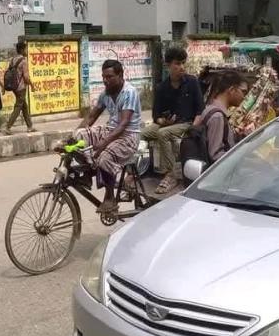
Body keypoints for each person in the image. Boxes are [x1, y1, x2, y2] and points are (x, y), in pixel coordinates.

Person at [77, 60, 141, 214]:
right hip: (111, 131)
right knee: (79, 136)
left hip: (128, 136)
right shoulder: (105, 94)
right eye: (103, 77)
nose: (105, 80)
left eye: (109, 77)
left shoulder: (129, 92)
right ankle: (87, 174)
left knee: (104, 157)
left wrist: (103, 143)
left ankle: (110, 197)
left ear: (120, 75)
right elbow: (91, 117)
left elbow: (123, 124)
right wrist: (71, 137)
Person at [141, 46, 203, 195]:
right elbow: (156, 115)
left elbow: (200, 110)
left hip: (187, 124)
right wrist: (164, 121)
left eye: (183, 63)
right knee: (141, 133)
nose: (181, 67)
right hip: (168, 124)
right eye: (177, 63)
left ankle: (170, 174)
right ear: (168, 65)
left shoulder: (192, 82)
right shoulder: (162, 87)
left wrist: (193, 129)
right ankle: (137, 170)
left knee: (163, 134)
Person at [198, 71, 248, 163]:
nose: (244, 97)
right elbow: (215, 155)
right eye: (243, 92)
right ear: (232, 90)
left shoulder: (212, 110)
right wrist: (240, 157)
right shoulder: (217, 116)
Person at [5, 41, 36, 135]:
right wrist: (32, 85)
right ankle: (8, 127)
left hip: (14, 87)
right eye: (25, 49)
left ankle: (30, 126)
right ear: (22, 50)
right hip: (21, 87)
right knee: (18, 106)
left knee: (24, 106)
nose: (26, 51)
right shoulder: (23, 61)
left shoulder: (12, 60)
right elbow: (26, 77)